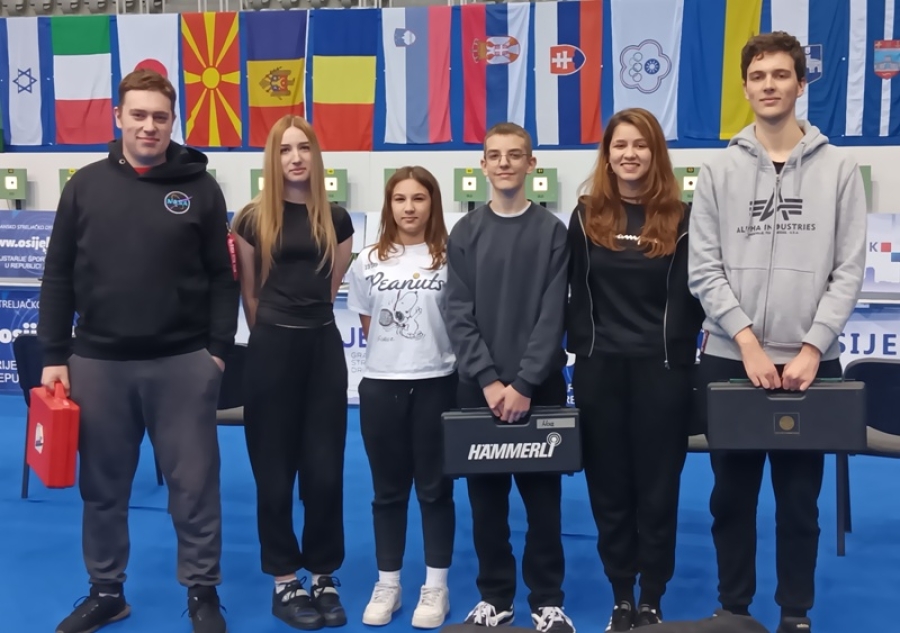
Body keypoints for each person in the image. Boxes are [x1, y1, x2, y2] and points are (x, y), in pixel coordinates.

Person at [39, 69, 239, 633]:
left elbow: (222, 278)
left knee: (194, 487)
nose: (149, 125)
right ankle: (107, 591)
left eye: (160, 117)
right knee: (103, 488)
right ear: (118, 117)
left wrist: (216, 353)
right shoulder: (84, 186)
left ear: (173, 122)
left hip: (183, 364)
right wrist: (54, 354)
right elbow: (57, 275)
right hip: (98, 364)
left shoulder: (200, 188)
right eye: (139, 115)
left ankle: (202, 591)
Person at [688, 32, 867, 633]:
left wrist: (813, 347)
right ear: (745, 87)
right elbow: (704, 269)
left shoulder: (839, 168)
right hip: (730, 358)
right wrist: (746, 342)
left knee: (799, 502)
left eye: (781, 75)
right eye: (759, 76)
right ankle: (734, 610)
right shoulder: (717, 170)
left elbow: (848, 270)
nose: (769, 85)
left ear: (800, 84)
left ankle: (795, 613)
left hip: (811, 364)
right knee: (730, 499)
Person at [566, 107, 706, 631]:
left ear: (655, 153)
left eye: (640, 145)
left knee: (658, 490)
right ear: (607, 155)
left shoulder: (683, 217)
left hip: (663, 371)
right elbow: (565, 289)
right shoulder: (585, 216)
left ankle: (652, 596)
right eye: (620, 145)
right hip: (599, 371)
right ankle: (621, 593)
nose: (630, 154)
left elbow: (702, 290)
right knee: (609, 489)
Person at [445, 122, 575, 633]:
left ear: (531, 164)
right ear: (482, 165)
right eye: (495, 155)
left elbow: (552, 315)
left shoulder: (553, 233)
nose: (504, 163)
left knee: (544, 505)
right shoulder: (464, 233)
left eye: (515, 155)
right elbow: (458, 312)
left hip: (537, 390)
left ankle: (547, 601)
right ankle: (495, 598)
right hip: (479, 391)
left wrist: (523, 384)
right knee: (486, 505)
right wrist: (488, 380)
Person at [232, 115, 354, 631]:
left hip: (322, 349)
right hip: (271, 352)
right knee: (275, 473)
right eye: (285, 150)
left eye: (303, 148)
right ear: (273, 158)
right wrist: (276, 338)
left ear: (316, 155)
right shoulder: (251, 219)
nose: (296, 158)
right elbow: (251, 295)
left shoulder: (337, 219)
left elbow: (331, 288)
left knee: (325, 472)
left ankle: (323, 574)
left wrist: (306, 330)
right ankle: (285, 579)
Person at [347, 166, 457, 629]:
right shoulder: (367, 261)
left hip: (438, 382)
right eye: (399, 199)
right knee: (387, 492)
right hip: (381, 386)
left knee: (435, 490)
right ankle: (388, 584)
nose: (409, 208)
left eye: (418, 198)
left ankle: (435, 586)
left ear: (433, 203)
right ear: (388, 205)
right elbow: (370, 324)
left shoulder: (450, 257)